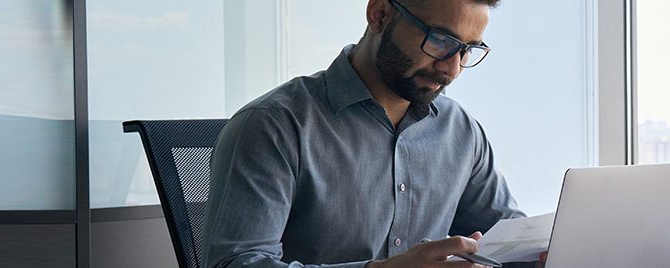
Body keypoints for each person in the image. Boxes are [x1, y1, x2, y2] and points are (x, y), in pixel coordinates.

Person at [202, 0, 543, 267]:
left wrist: (547, 253)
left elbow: (507, 240)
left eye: (467, 50)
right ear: (379, 14)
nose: (452, 69)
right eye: (440, 41)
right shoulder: (273, 126)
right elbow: (236, 263)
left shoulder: (460, 131)